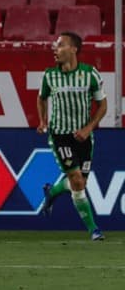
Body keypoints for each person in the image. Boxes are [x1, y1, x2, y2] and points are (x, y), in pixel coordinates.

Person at [36, 31, 106, 241]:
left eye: (60, 45)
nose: (55, 49)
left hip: (83, 137)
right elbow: (41, 98)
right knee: (76, 179)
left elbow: (102, 105)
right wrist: (42, 120)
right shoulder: (49, 75)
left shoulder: (90, 74)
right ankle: (93, 230)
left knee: (79, 183)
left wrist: (89, 128)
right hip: (60, 136)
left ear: (74, 49)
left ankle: (52, 192)